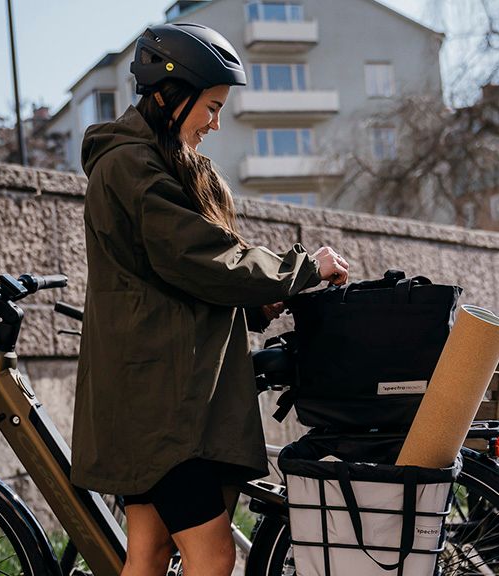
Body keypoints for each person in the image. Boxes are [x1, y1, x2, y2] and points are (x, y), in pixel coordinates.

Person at [70, 22, 350, 576]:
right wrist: (301, 268)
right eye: (212, 106)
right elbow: (200, 256)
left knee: (148, 554)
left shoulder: (148, 161)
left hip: (159, 397)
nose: (216, 123)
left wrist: (253, 304)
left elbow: (176, 278)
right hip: (163, 407)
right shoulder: (131, 166)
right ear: (170, 93)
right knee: (215, 558)